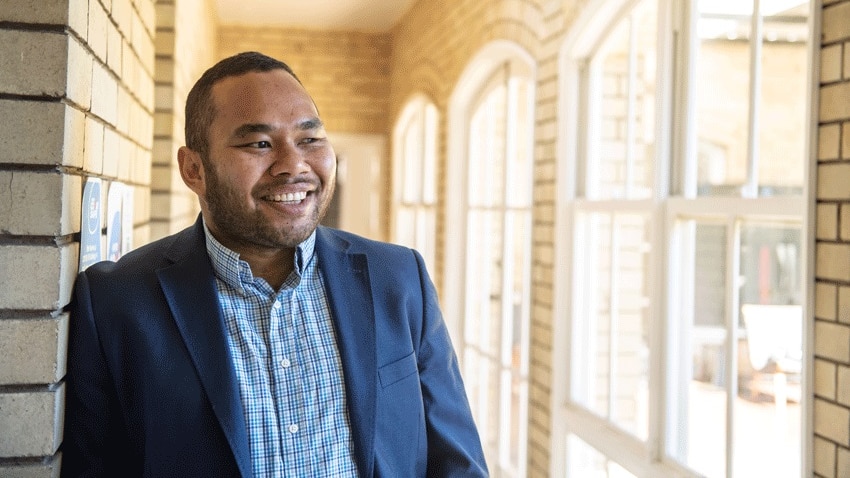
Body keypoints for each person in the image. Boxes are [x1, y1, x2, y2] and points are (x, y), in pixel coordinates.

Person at [61, 51, 488, 477]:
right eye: (259, 144)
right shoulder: (117, 303)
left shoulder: (398, 277)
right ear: (194, 170)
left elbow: (457, 462)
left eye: (310, 139)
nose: (294, 165)